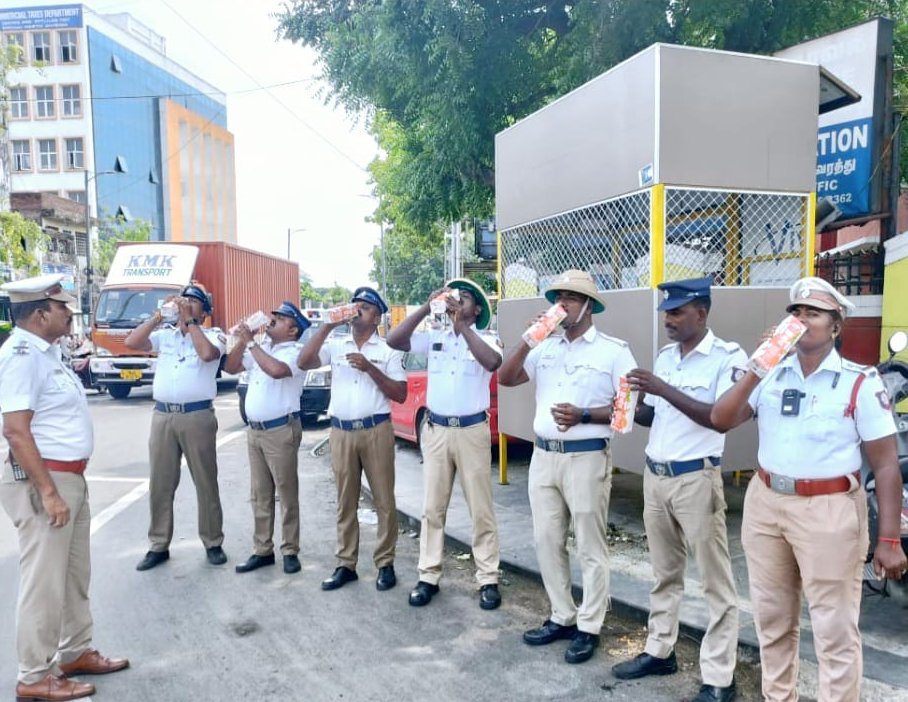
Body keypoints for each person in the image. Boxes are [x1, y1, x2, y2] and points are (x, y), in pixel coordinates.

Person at [710, 276, 907, 702]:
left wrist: (889, 539)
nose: (800, 320)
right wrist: (758, 366)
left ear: (835, 326)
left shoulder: (860, 381)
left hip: (830, 510)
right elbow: (721, 419)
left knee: (834, 630)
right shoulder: (768, 374)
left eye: (812, 314)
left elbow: (887, 464)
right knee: (773, 621)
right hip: (766, 506)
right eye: (795, 313)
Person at [612, 278, 745, 702]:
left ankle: (720, 677)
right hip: (657, 477)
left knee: (715, 582)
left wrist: (662, 388)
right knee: (664, 573)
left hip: (696, 480)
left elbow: (720, 417)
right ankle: (660, 649)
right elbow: (660, 415)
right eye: (666, 311)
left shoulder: (728, 358)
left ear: (702, 312)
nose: (667, 318)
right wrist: (633, 400)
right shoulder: (668, 357)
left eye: (677, 311)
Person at [0, 274, 128, 702]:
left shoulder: (49, 353)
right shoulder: (22, 355)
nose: (71, 314)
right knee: (45, 581)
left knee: (74, 574)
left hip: (68, 476)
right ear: (40, 314)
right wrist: (49, 492)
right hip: (45, 480)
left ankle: (75, 651)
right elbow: (16, 431)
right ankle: (34, 675)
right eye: (63, 308)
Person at [499, 269, 636, 665]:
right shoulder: (545, 347)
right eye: (558, 297)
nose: (562, 305)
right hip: (544, 456)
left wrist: (584, 416)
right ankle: (562, 614)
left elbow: (626, 411)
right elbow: (506, 378)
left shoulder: (613, 350)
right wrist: (527, 342)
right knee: (546, 539)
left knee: (590, 544)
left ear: (589, 305)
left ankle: (590, 625)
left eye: (571, 298)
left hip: (587, 454)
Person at [386, 279, 503, 610]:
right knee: (432, 507)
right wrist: (426, 307)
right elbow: (395, 340)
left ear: (476, 309)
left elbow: (493, 363)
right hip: (436, 431)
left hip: (471, 432)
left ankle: (488, 578)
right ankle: (428, 575)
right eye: (452, 297)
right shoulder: (434, 337)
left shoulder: (487, 338)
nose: (455, 302)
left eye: (463, 299)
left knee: (480, 508)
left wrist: (463, 328)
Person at [297, 287, 407, 591]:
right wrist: (328, 325)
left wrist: (369, 367)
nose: (357, 308)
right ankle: (346, 563)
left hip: (376, 430)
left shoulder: (387, 351)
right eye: (355, 304)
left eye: (366, 306)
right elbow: (304, 362)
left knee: (384, 500)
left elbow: (400, 393)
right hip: (341, 431)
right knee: (346, 501)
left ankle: (385, 563)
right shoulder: (335, 344)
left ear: (376, 317)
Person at [125, 283, 228, 571]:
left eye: (194, 302)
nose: (186, 305)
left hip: (197, 416)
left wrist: (192, 323)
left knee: (205, 481)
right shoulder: (165, 337)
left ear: (205, 312)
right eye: (184, 301)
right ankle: (158, 544)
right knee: (160, 483)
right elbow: (132, 343)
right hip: (163, 416)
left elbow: (208, 355)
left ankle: (213, 541)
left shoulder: (213, 335)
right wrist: (160, 316)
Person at [224, 301, 310, 575]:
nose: (272, 320)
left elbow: (276, 371)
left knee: (286, 492)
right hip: (256, 430)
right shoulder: (263, 347)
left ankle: (290, 550)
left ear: (293, 328)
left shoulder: (297, 351)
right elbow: (231, 366)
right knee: (260, 493)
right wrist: (242, 338)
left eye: (280, 318)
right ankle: (262, 549)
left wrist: (251, 343)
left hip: (281, 429)